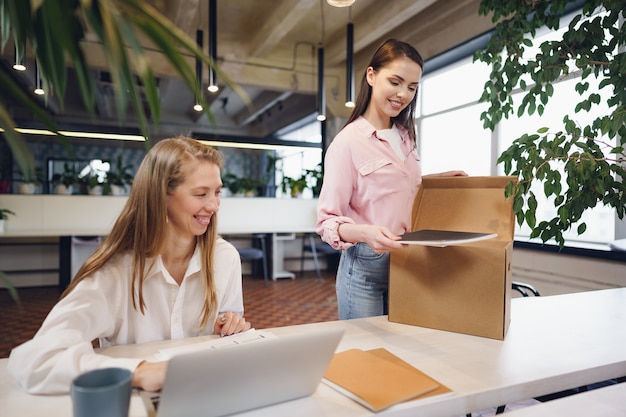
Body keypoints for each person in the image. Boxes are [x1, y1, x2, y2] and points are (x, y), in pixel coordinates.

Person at [8, 136, 251, 394]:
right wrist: (139, 371)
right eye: (201, 193)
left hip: (204, 392)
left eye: (217, 192)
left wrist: (229, 326)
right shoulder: (115, 271)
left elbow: (229, 328)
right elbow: (35, 360)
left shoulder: (224, 258)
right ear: (161, 196)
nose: (214, 205)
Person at [316, 39, 467, 320]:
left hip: (408, 263)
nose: (403, 94)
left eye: (412, 87)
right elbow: (327, 222)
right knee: (366, 356)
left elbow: (395, 188)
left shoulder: (406, 136)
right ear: (371, 76)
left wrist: (434, 181)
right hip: (364, 270)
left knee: (400, 351)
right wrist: (366, 233)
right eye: (395, 82)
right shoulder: (347, 142)